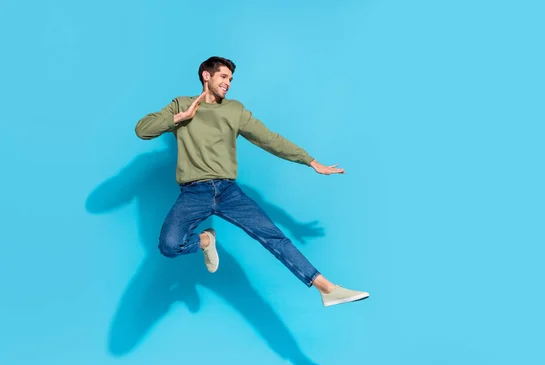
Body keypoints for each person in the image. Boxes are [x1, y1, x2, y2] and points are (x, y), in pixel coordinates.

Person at [134, 56, 369, 307]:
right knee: (169, 246)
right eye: (223, 77)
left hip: (228, 192)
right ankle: (206, 240)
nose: (228, 83)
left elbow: (269, 139)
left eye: (231, 79)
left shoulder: (234, 110)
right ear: (206, 76)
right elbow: (142, 130)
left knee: (274, 236)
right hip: (194, 193)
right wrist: (180, 118)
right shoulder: (182, 104)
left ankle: (327, 288)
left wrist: (310, 161)